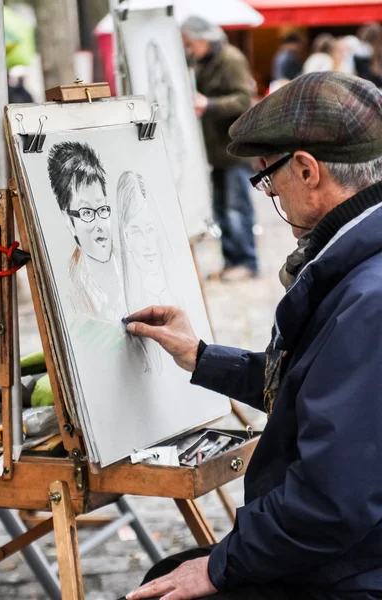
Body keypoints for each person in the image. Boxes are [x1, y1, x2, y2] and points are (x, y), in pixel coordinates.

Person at [124, 72, 382, 599]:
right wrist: (200, 357)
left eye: (268, 177)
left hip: (353, 570)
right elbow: (314, 383)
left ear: (307, 170)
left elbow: (331, 502)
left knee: (165, 585)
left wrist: (223, 566)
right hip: (348, 550)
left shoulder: (369, 297)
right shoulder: (357, 267)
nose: (270, 193)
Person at [181, 16, 259, 281]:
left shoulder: (230, 58)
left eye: (191, 43)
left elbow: (243, 100)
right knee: (222, 210)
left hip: (234, 150)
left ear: (204, 39)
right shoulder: (202, 63)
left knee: (237, 208)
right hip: (216, 152)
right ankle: (231, 261)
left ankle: (247, 262)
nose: (189, 49)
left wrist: (209, 104)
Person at [47, 141, 126, 324]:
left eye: (101, 208)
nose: (99, 224)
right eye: (87, 213)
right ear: (68, 220)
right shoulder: (70, 289)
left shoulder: (130, 263)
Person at [117, 170, 180, 373]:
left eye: (150, 229)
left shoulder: (176, 293)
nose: (147, 244)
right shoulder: (123, 302)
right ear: (124, 237)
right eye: (136, 232)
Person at [146, 40, 186, 185]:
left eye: (163, 81)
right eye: (156, 83)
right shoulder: (152, 132)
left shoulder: (177, 130)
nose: (161, 91)